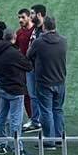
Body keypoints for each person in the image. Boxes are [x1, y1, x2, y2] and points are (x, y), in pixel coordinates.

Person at [28, 16, 68, 147]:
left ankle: (48, 140)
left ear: (44, 27)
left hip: (44, 82)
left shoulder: (39, 42)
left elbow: (29, 55)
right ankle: (59, 137)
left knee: (46, 110)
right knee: (58, 109)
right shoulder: (63, 41)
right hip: (60, 81)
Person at [0, 32, 31, 155]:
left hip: (2, 85)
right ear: (14, 39)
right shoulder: (14, 53)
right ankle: (17, 148)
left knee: (2, 116)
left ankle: (2, 144)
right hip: (15, 88)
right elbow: (28, 65)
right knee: (16, 119)